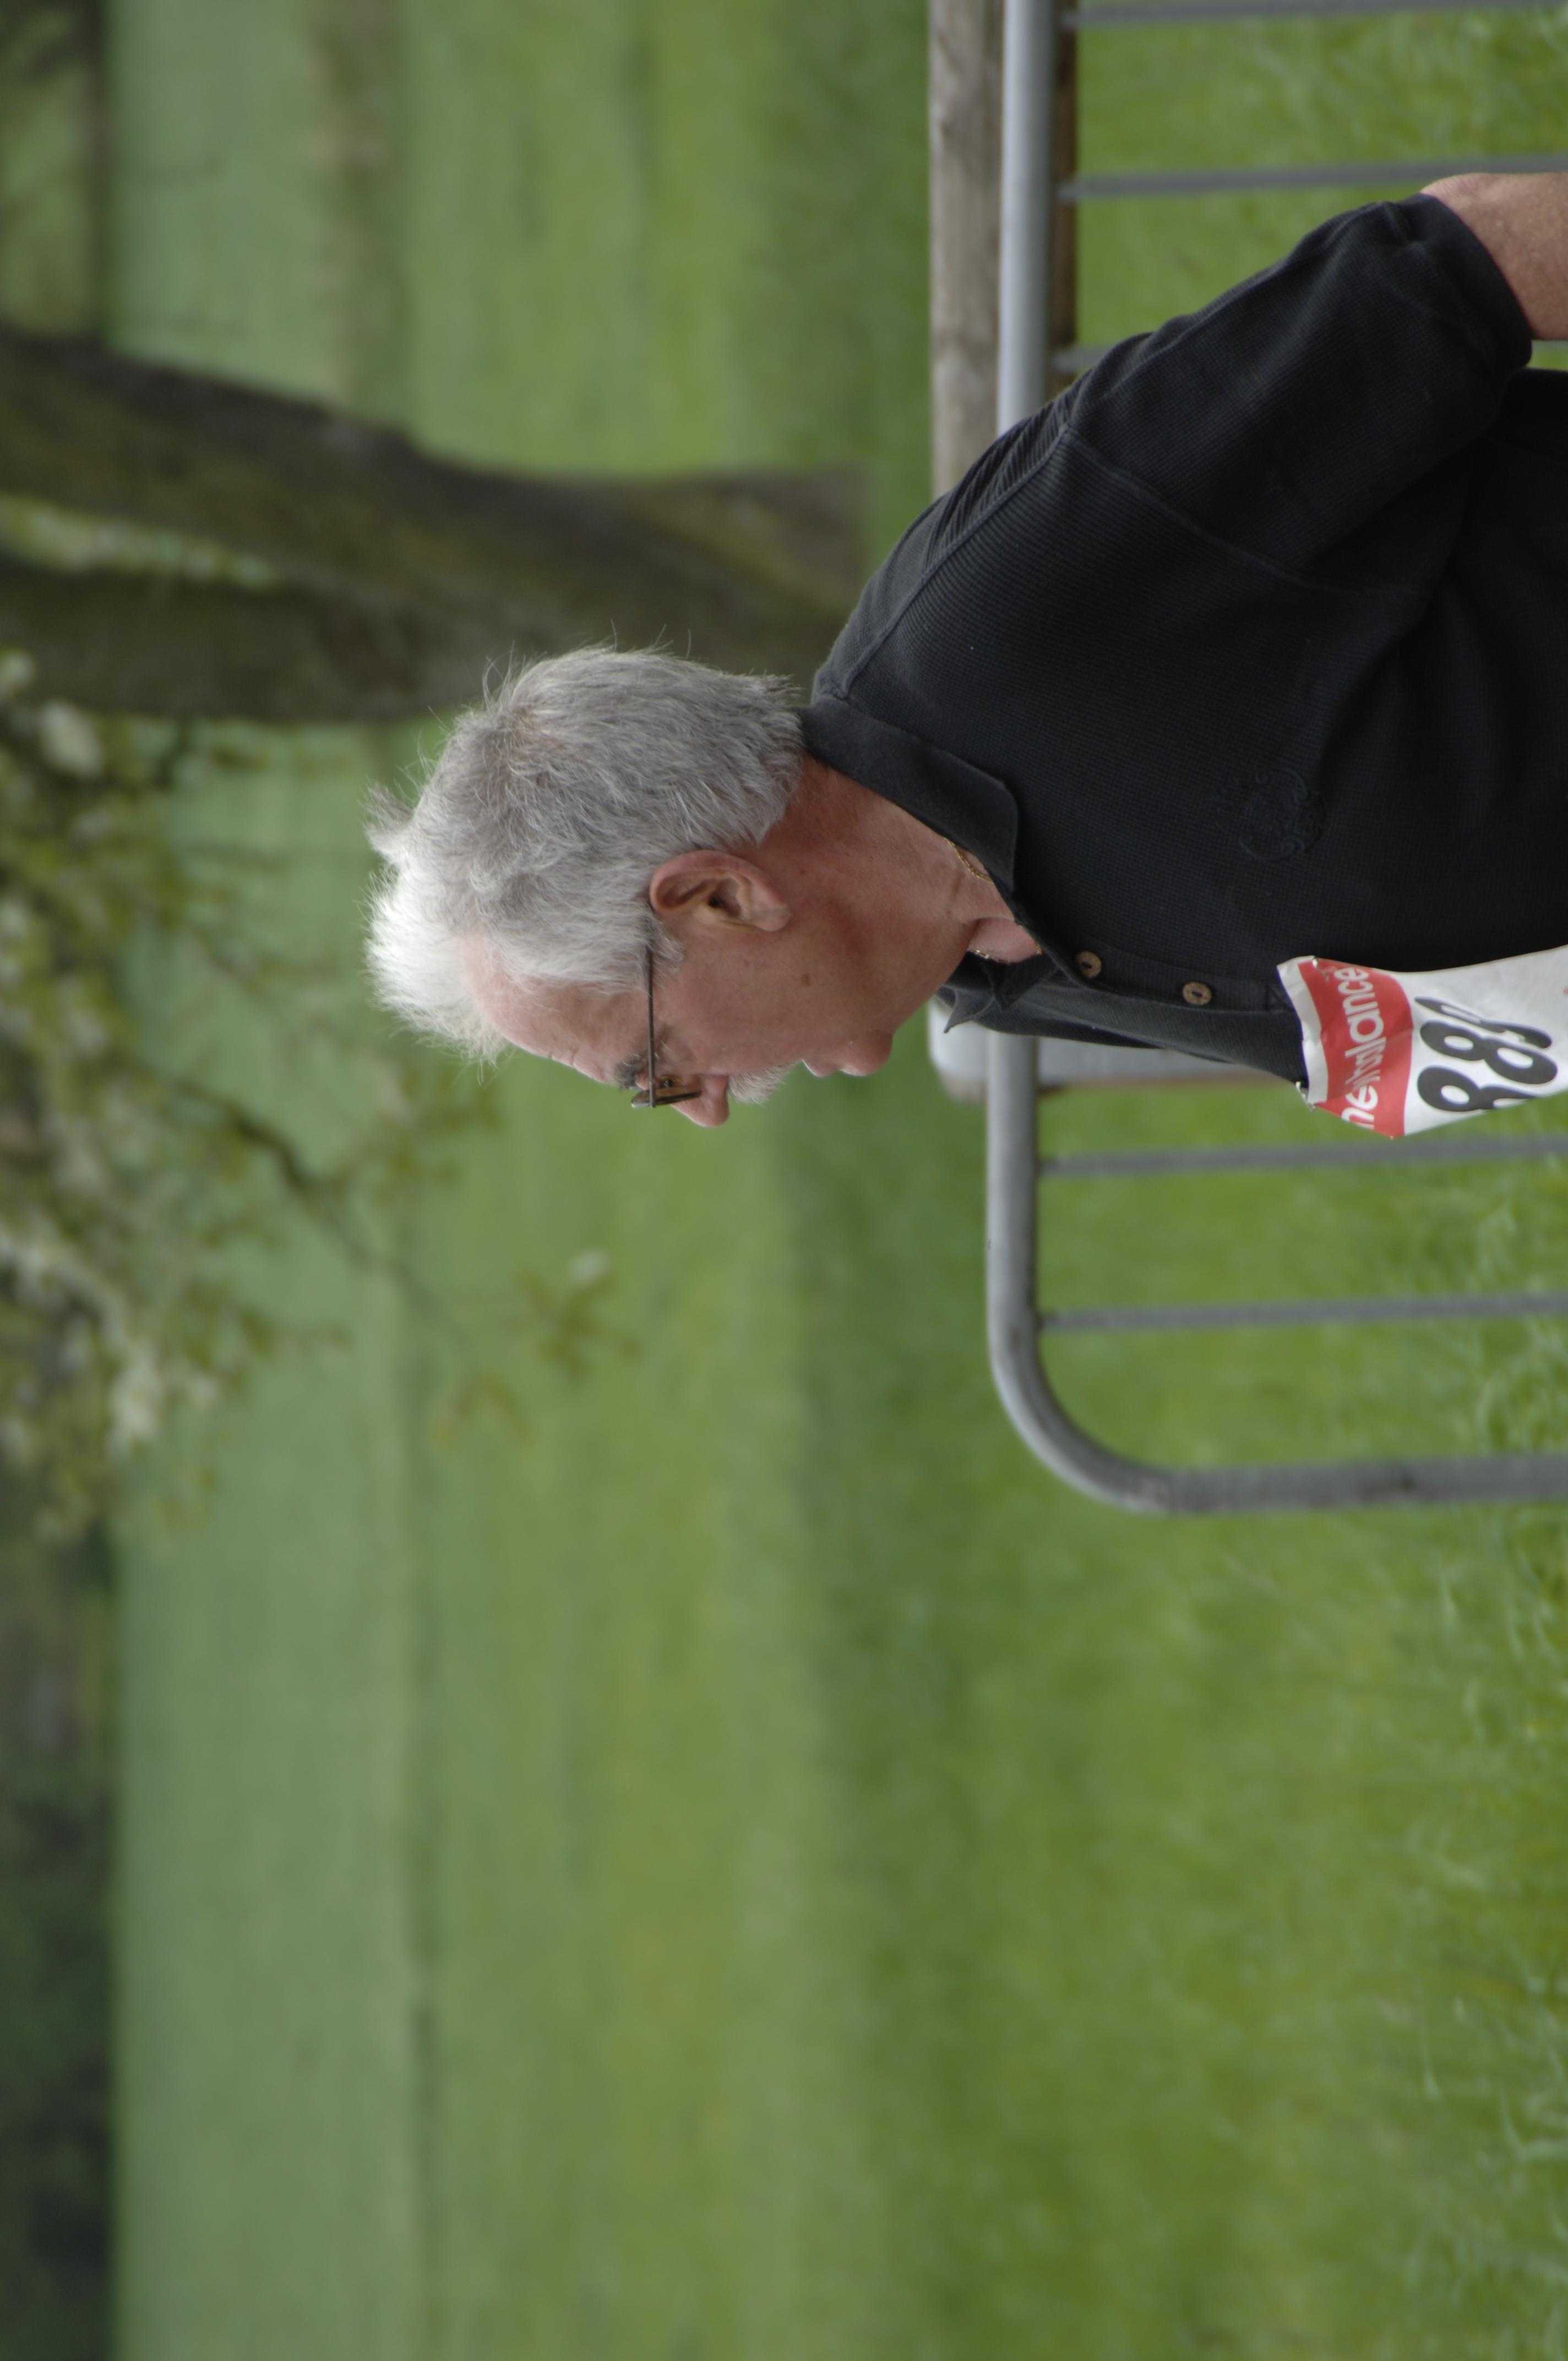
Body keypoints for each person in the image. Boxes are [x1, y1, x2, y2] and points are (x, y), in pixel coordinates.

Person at [366, 174, 1568, 1128]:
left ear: (719, 895)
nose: (705, 1107)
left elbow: (1472, 254)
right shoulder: (992, 972)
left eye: (655, 1066)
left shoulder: (1019, 601)